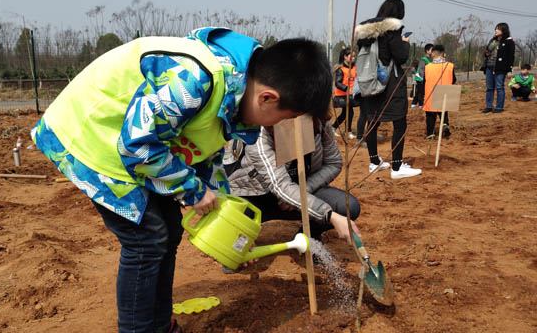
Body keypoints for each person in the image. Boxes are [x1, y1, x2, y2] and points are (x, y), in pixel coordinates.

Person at [30, 27, 332, 333]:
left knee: (171, 230)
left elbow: (205, 148)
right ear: (268, 98)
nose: (278, 126)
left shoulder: (236, 91)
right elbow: (136, 145)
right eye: (282, 118)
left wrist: (230, 227)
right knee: (147, 239)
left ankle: (160, 325)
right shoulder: (195, 80)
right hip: (93, 136)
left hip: (148, 147)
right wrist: (192, 190)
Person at [227, 118, 361, 246]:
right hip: (260, 196)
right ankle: (242, 238)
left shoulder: (320, 123)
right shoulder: (260, 131)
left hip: (301, 193)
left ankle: (309, 238)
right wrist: (329, 215)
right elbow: (279, 185)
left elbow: (333, 162)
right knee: (234, 224)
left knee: (347, 206)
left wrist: (305, 189)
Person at [354, 0, 422, 180]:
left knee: (372, 122)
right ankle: (397, 167)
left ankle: (374, 162)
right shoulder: (392, 29)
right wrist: (405, 43)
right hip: (390, 83)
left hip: (370, 81)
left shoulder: (366, 31)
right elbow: (400, 57)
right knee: (400, 122)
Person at [423, 45, 456, 140]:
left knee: (430, 115)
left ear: (433, 54)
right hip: (444, 93)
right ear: (443, 54)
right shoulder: (450, 66)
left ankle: (430, 134)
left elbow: (423, 81)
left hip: (431, 94)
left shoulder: (427, 67)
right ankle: (444, 124)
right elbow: (454, 79)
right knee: (443, 111)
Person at [481, 22, 515, 113]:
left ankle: (499, 107)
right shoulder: (493, 40)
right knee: (489, 87)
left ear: (504, 30)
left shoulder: (509, 42)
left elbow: (511, 57)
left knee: (499, 87)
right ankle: (489, 106)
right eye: (495, 29)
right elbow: (486, 52)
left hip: (500, 68)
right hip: (489, 66)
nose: (496, 30)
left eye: (498, 29)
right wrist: (486, 53)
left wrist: (509, 70)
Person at [332, 47, 359, 139]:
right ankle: (348, 131)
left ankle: (334, 128)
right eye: (351, 57)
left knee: (346, 113)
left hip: (351, 95)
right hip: (342, 96)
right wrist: (347, 88)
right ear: (345, 57)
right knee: (349, 113)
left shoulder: (355, 68)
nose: (353, 58)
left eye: (354, 56)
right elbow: (337, 83)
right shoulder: (341, 69)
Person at [411, 43, 433, 108]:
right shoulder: (424, 59)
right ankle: (421, 104)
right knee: (421, 92)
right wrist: (422, 79)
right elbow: (421, 69)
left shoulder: (429, 59)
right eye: (432, 50)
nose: (433, 52)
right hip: (420, 78)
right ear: (427, 51)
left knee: (419, 91)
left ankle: (414, 103)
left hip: (423, 78)